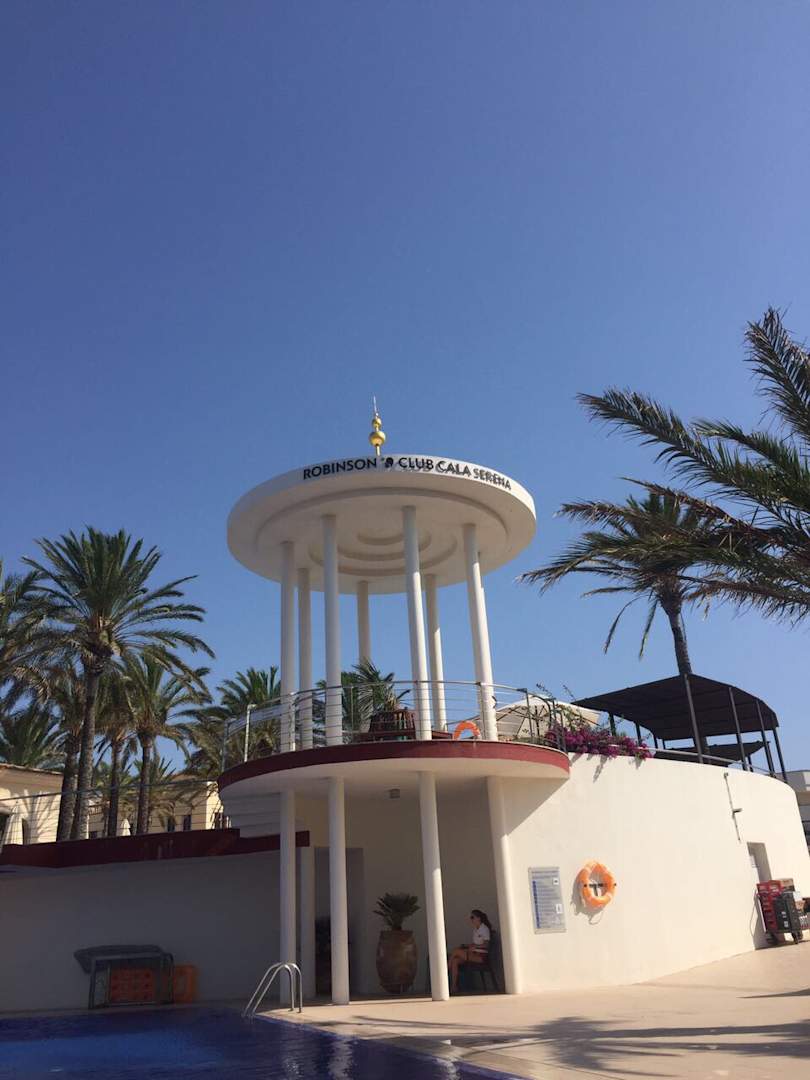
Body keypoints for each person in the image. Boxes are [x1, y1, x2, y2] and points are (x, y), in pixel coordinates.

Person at [448, 909, 492, 993]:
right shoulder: (475, 929)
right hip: (473, 953)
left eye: (472, 917)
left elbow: (486, 945)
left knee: (456, 951)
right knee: (455, 961)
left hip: (480, 957)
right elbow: (475, 943)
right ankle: (454, 987)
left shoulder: (484, 929)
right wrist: (467, 945)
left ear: (478, 918)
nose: (471, 919)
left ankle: (446, 968)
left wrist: (475, 947)